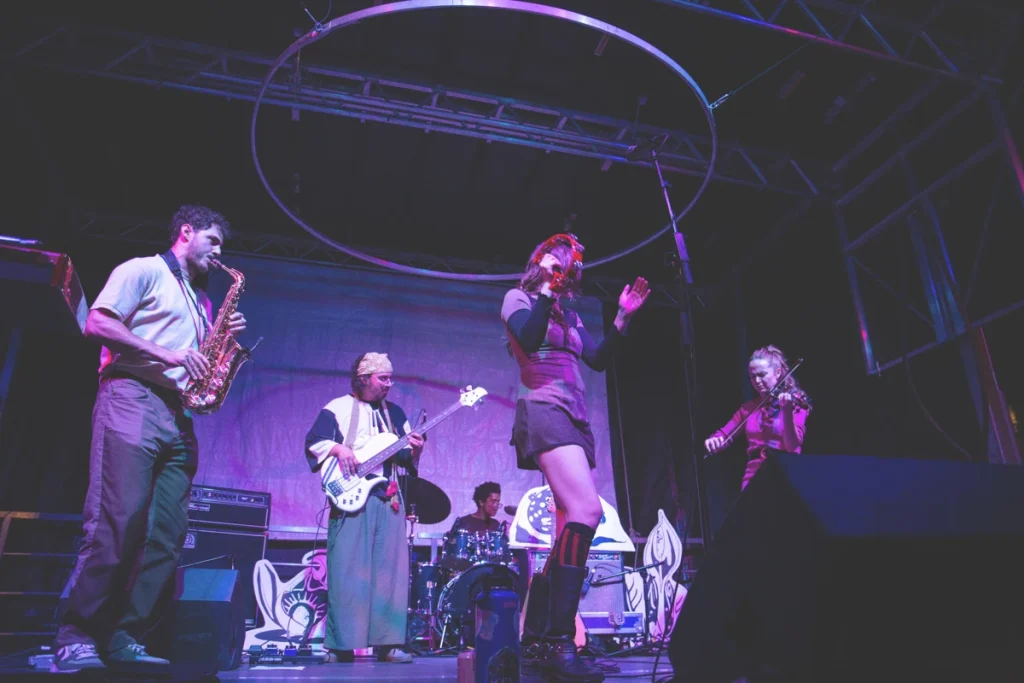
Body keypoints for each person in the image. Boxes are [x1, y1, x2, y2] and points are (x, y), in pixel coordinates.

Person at [53, 205, 246, 672]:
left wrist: (221, 346)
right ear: (186, 232)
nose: (219, 252)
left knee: (167, 536)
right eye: (213, 240)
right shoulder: (142, 270)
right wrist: (166, 353)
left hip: (178, 414)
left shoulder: (201, 302)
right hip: (132, 396)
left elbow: (194, 361)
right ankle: (77, 635)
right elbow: (98, 323)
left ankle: (124, 636)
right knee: (116, 521)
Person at [501, 233, 649, 681]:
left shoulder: (568, 314)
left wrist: (622, 317)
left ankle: (536, 642)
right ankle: (560, 641)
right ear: (543, 263)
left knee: (570, 525)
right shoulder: (518, 299)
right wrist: (547, 289)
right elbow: (528, 339)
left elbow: (598, 359)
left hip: (574, 415)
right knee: (586, 511)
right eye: (562, 264)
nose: (569, 274)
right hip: (544, 409)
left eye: (571, 270)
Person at [304, 352, 425, 664]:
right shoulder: (337, 408)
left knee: (390, 573)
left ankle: (389, 643)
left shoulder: (395, 414)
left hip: (388, 498)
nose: (389, 383)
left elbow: (405, 459)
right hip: (351, 498)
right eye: (382, 378)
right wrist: (338, 448)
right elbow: (314, 442)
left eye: (390, 378)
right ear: (363, 378)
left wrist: (416, 451)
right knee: (346, 571)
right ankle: (341, 645)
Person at [704, 345, 812, 490]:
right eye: (752, 376)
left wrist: (786, 411)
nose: (757, 381)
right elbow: (724, 434)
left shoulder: (794, 403)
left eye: (762, 374)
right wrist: (714, 441)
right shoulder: (748, 408)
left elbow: (792, 446)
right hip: (754, 475)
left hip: (785, 472)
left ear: (777, 372)